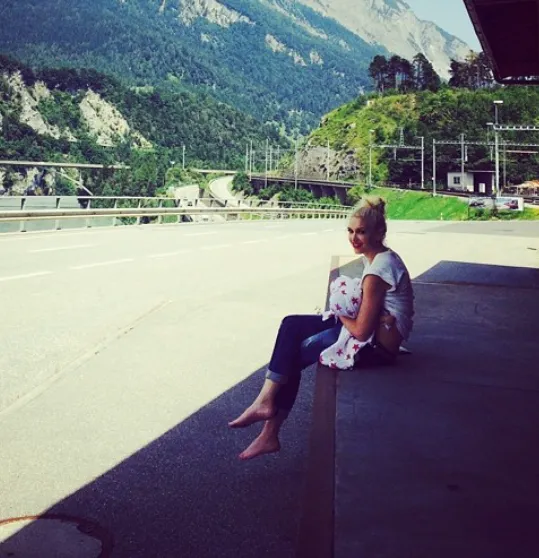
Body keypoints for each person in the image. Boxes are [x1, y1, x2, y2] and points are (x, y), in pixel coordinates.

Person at [229, 196, 415, 460]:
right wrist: (376, 316)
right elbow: (375, 311)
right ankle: (266, 404)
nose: (354, 238)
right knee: (291, 324)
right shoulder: (379, 257)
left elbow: (361, 331)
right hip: (377, 334)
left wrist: (341, 311)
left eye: (361, 232)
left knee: (294, 354)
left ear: (379, 233)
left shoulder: (377, 271)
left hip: (375, 348)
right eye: (350, 231)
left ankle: (269, 427)